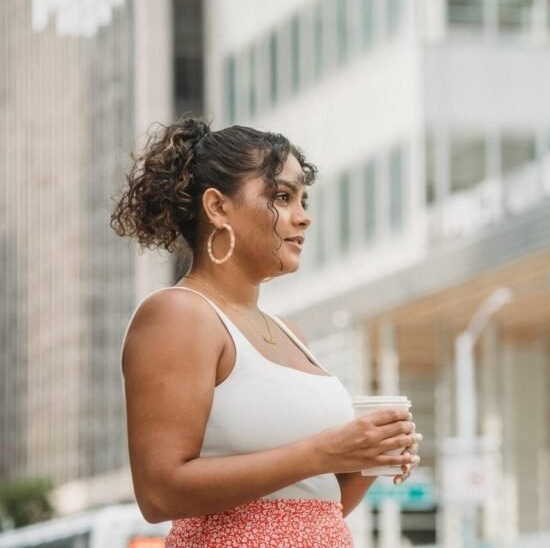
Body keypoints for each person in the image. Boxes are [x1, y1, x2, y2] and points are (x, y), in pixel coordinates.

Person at [111, 117, 421, 547]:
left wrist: (369, 458)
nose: (304, 217)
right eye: (282, 196)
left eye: (303, 199)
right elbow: (159, 491)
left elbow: (311, 507)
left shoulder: (290, 333)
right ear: (218, 207)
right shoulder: (178, 314)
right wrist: (326, 451)